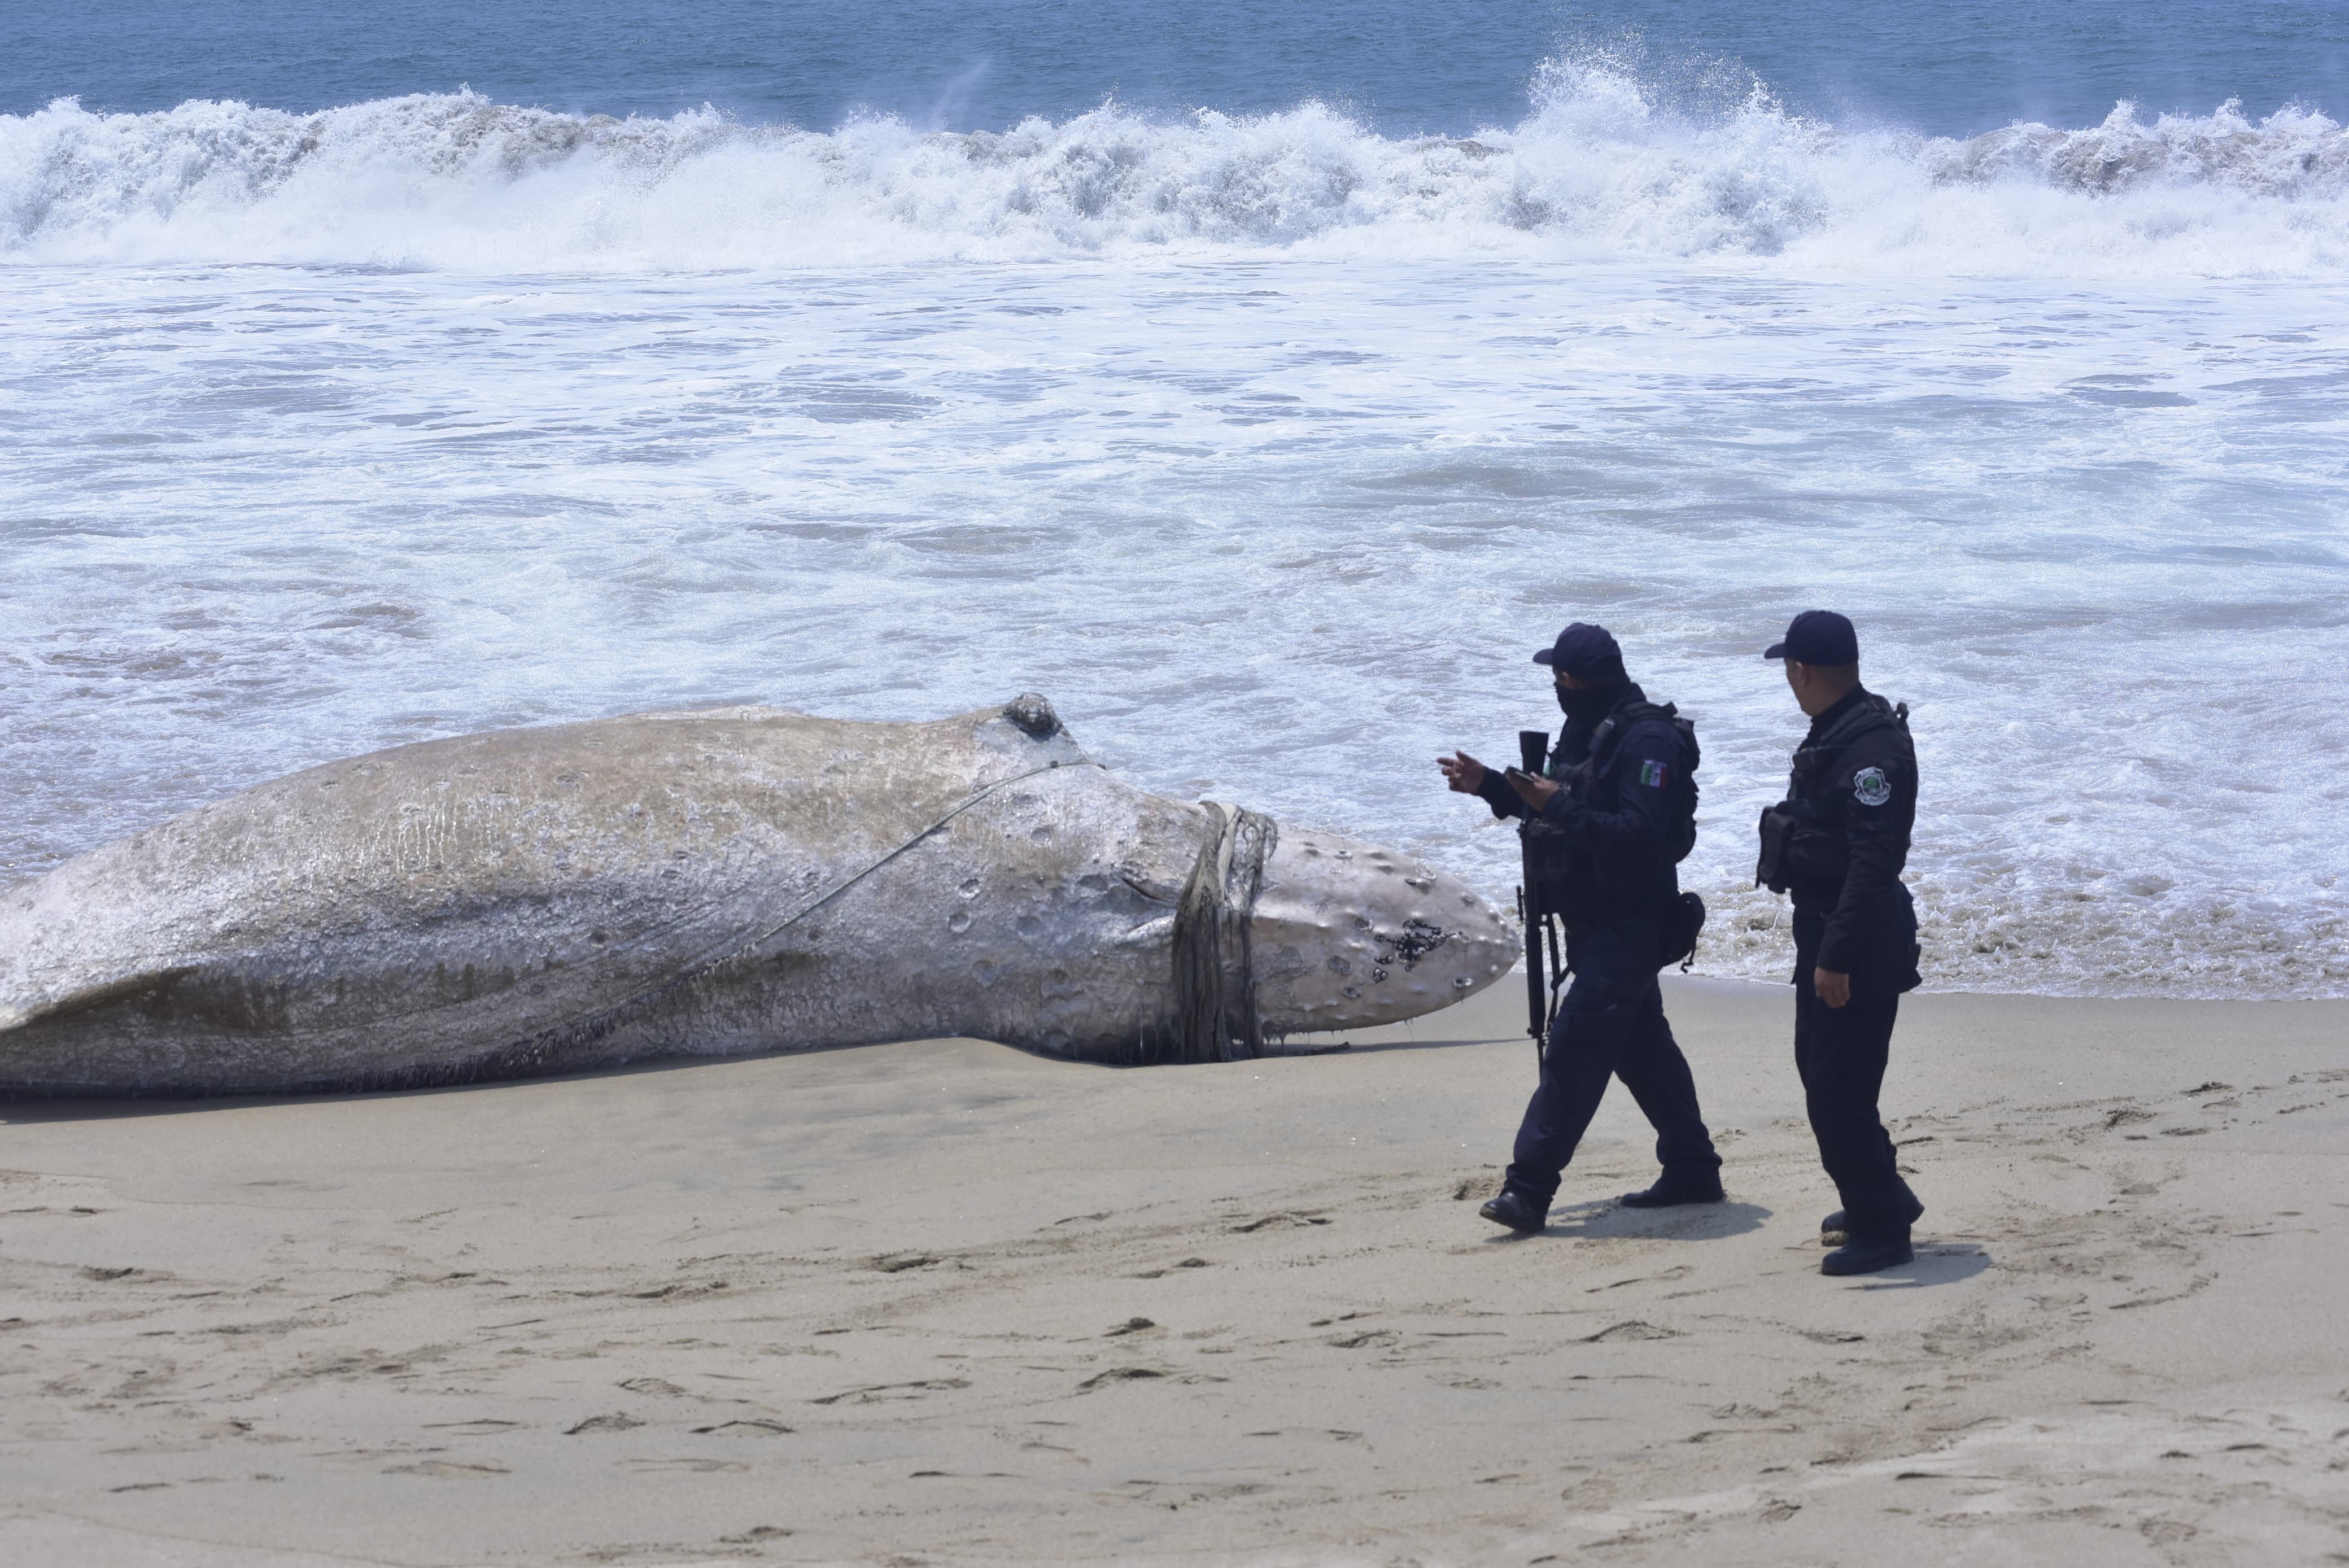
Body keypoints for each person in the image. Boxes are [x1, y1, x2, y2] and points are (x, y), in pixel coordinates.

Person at [1438, 623, 1723, 1233]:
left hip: (1631, 919)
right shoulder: (1590, 728)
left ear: (1571, 680)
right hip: (1591, 917)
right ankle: (1692, 1166)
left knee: (1574, 1048)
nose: (1554, 687)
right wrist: (1490, 784)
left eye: (1556, 678)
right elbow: (1561, 804)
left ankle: (1528, 1188)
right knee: (1640, 1047)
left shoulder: (1647, 739)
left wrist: (1556, 803)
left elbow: (1636, 838)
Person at [1757, 610, 1926, 1277]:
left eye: (1788, 671)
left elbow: (1872, 861)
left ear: (1800, 671)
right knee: (1824, 1073)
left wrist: (1835, 956)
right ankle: (1879, 1197)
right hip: (1830, 929)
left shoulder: (1869, 751)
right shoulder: (1840, 728)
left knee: (1836, 1091)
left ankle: (1882, 1229)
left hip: (1854, 939)